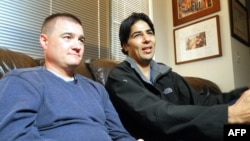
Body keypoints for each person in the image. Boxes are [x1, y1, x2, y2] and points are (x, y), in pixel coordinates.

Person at [105, 12, 250, 141]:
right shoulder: (119, 77)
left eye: (149, 33)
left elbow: (202, 101)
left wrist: (242, 93)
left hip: (189, 133)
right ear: (125, 46)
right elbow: (158, 113)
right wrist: (228, 114)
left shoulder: (167, 75)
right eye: (137, 35)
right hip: (158, 137)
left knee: (241, 133)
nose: (146, 39)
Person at [0, 13, 139, 141]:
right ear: (44, 41)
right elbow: (14, 136)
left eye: (81, 40)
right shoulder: (21, 81)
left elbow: (120, 135)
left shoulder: (97, 89)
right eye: (67, 37)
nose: (77, 46)